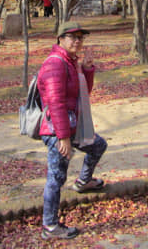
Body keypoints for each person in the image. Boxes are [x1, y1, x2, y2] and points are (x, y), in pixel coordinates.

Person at [36, 21, 108, 240]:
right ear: (60, 39)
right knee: (56, 177)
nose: (77, 41)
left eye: (80, 38)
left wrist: (86, 68)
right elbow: (56, 102)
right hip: (57, 130)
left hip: (72, 127)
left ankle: (84, 182)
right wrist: (63, 138)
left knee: (98, 145)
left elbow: (82, 92)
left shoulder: (70, 62)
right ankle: (49, 226)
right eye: (72, 37)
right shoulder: (56, 64)